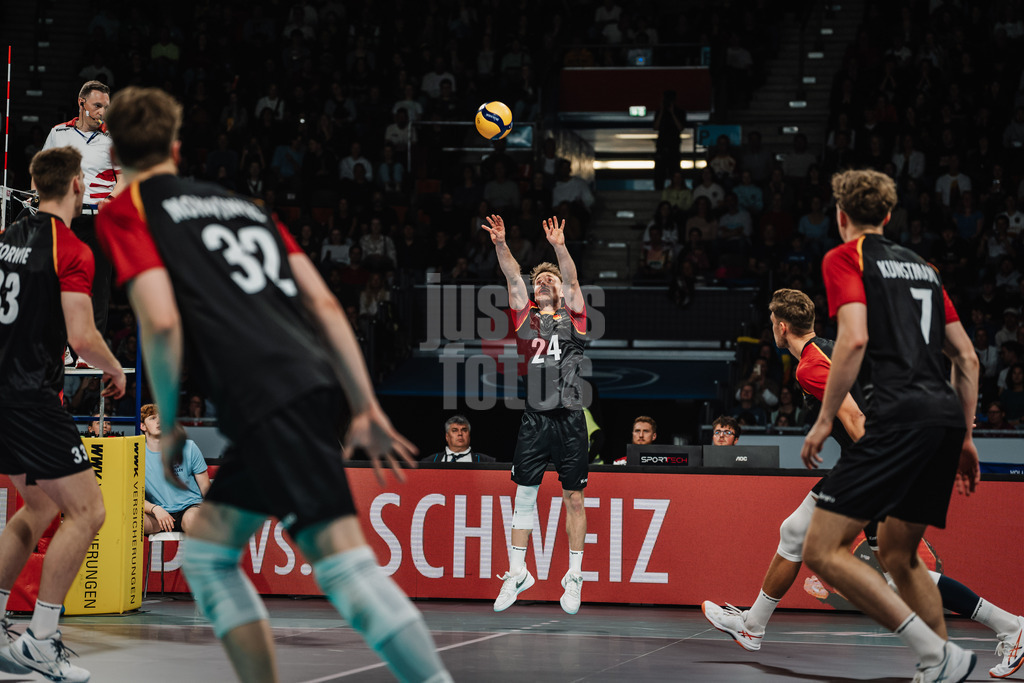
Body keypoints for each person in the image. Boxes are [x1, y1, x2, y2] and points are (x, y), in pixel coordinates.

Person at [95, 87, 450, 683]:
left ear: (114, 156)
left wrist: (172, 417)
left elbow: (158, 319)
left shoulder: (126, 209)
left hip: (267, 399)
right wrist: (362, 403)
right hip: (308, 382)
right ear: (177, 148)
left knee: (343, 568)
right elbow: (327, 306)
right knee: (207, 553)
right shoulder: (242, 205)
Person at [704, 289, 1024, 679]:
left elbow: (855, 420)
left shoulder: (810, 367)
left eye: (772, 323)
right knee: (812, 539)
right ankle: (752, 626)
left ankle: (1012, 627)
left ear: (781, 326)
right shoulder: (831, 347)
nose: (772, 329)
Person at [800, 169, 980, 681]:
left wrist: (824, 418)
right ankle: (939, 666)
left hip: (898, 417)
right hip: (943, 419)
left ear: (841, 217)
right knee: (900, 555)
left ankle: (937, 652)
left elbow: (853, 340)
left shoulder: (844, 257)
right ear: (886, 216)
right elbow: (966, 358)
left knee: (821, 549)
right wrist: (964, 436)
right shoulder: (924, 268)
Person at [0, 146, 126, 682]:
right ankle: (40, 640)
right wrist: (115, 368)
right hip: (31, 396)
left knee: (36, 510)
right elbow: (81, 335)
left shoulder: (5, 241)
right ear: (78, 185)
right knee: (89, 511)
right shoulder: (70, 248)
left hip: (2, 394)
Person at [483, 213, 590, 616]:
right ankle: (517, 572)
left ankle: (574, 577)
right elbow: (513, 277)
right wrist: (500, 243)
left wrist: (560, 248)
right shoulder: (524, 315)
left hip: (570, 419)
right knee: (524, 497)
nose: (543, 283)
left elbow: (574, 282)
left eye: (551, 281)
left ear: (561, 292)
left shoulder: (575, 316)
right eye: (539, 281)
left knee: (573, 497)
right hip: (534, 418)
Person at [42, 81, 125, 338]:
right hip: (66, 220)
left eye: (106, 107)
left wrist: (110, 199)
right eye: (97, 105)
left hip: (98, 222)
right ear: (82, 103)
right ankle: (60, 346)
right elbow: (41, 173)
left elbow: (126, 178)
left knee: (97, 287)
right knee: (58, 283)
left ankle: (90, 348)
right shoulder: (58, 133)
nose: (103, 111)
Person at [141, 403, 210, 535]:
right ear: (143, 426)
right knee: (129, 522)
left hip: (190, 507)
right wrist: (155, 509)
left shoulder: (187, 447)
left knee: (193, 521)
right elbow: (132, 497)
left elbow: (205, 487)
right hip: (158, 514)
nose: (159, 421)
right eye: (153, 418)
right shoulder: (136, 454)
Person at [420, 415, 495, 463]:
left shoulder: (488, 462)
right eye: (455, 430)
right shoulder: (429, 461)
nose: (460, 434)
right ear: (447, 436)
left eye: (464, 430)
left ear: (469, 436)